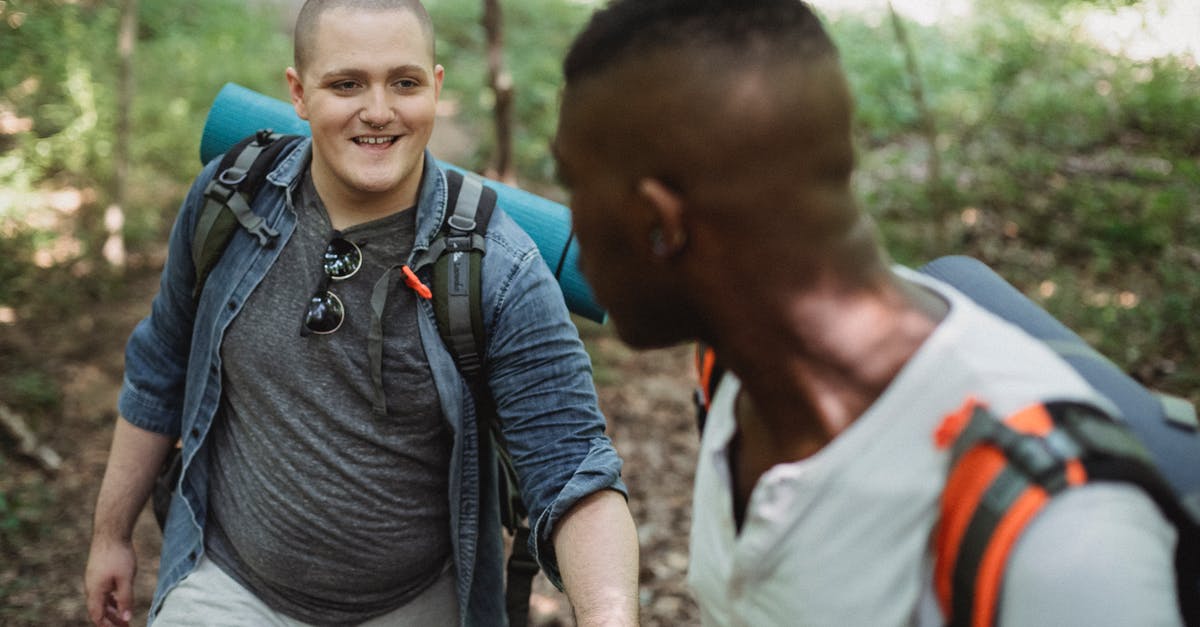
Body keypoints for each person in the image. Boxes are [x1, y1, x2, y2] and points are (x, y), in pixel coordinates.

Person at [553, 1, 1182, 625]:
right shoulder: (731, 370)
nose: (569, 221)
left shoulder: (1062, 544)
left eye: (573, 184)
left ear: (659, 225)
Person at [84, 0, 639, 625]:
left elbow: (573, 470)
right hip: (228, 586)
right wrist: (111, 534)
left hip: (412, 604)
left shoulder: (498, 269)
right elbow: (162, 364)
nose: (378, 111)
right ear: (299, 92)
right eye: (347, 84)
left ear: (435, 87)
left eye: (403, 82)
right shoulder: (232, 200)